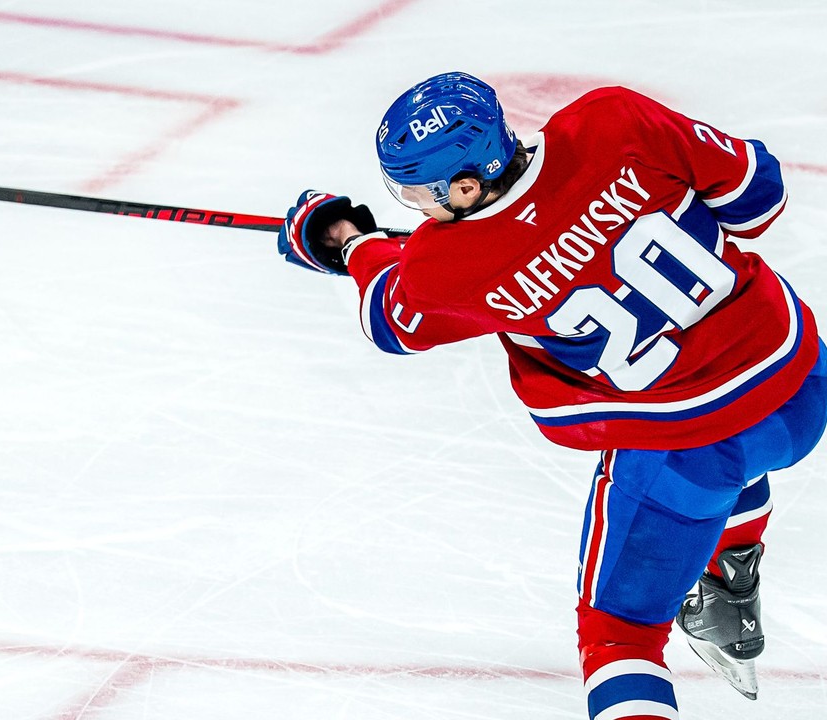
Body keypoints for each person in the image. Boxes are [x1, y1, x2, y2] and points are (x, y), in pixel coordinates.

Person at [277, 72, 827, 719]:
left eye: (419, 192)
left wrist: (347, 240)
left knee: (620, 638)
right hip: (799, 383)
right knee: (735, 455)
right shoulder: (613, 120)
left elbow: (391, 319)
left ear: (464, 186)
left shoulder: (442, 268)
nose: (416, 206)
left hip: (687, 445)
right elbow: (757, 197)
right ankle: (728, 575)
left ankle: (712, 574)